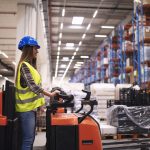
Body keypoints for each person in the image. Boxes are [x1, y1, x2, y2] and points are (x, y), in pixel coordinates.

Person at [15, 36, 59, 150]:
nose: (37, 51)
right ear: (28, 49)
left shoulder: (31, 67)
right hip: (25, 110)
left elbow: (35, 89)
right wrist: (50, 94)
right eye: (35, 48)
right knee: (27, 140)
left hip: (30, 109)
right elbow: (33, 86)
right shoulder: (24, 66)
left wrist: (40, 106)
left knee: (30, 140)